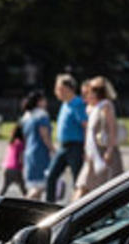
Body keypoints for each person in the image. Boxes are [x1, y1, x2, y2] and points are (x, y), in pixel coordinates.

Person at [74, 76, 122, 200]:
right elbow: (89, 132)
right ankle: (69, 215)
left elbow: (112, 130)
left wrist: (110, 150)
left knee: (108, 190)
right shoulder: (92, 108)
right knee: (82, 186)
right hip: (92, 153)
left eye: (92, 90)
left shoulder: (106, 106)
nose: (88, 94)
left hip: (104, 152)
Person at [44, 74, 87, 202]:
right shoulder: (65, 104)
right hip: (63, 146)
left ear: (68, 89)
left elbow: (85, 125)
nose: (57, 92)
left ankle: (79, 206)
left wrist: (85, 148)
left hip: (75, 146)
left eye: (59, 89)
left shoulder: (77, 103)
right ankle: (49, 204)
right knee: (51, 176)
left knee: (77, 179)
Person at [19, 90, 52, 199]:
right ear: (39, 102)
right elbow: (45, 135)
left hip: (28, 153)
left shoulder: (26, 117)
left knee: (33, 186)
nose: (46, 102)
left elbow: (24, 137)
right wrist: (53, 149)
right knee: (40, 187)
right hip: (40, 153)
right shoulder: (42, 115)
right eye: (44, 100)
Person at [0, 124, 25, 196]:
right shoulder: (21, 143)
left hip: (6, 167)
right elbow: (21, 158)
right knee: (24, 190)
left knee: (3, 189)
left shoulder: (11, 142)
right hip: (15, 168)